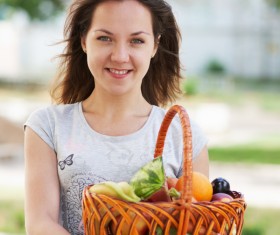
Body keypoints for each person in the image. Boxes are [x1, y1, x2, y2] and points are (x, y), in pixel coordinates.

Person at [24, 0, 209, 234]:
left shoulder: (183, 135)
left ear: (154, 46)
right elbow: (41, 224)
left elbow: (198, 225)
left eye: (137, 41)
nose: (120, 56)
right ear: (83, 40)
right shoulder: (48, 127)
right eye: (104, 38)